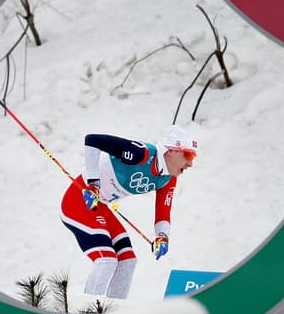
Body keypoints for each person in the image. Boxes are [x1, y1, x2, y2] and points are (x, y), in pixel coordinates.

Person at [60, 125, 198, 299]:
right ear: (170, 151)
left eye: (193, 156)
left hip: (100, 207)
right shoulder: (141, 154)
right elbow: (92, 140)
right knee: (107, 260)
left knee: (128, 261)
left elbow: (163, 212)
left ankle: (113, 310)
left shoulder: (168, 178)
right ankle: (87, 313)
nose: (191, 163)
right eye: (188, 155)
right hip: (78, 202)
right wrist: (93, 183)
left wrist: (162, 236)